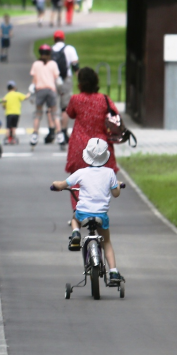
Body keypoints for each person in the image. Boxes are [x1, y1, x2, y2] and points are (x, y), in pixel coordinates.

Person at [62, 67, 122, 252]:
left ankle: (78, 217)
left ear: (80, 83)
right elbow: (115, 116)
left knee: (78, 182)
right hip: (101, 144)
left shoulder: (75, 99)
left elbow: (70, 114)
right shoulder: (104, 98)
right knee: (102, 178)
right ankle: (98, 214)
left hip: (80, 145)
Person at [51, 137, 123, 283]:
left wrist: (56, 185)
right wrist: (117, 186)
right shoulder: (110, 173)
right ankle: (114, 272)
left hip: (83, 213)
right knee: (106, 242)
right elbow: (115, 194)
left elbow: (63, 184)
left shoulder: (81, 173)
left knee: (74, 218)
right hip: (101, 216)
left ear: (87, 156)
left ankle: (75, 233)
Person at [29, 43, 61, 146]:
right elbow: (57, 78)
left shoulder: (36, 64)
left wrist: (32, 92)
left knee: (38, 113)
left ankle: (35, 135)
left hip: (40, 90)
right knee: (54, 113)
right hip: (51, 90)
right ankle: (60, 134)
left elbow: (34, 80)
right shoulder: (53, 64)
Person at [52, 30, 80, 146]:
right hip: (66, 79)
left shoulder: (50, 50)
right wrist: (79, 80)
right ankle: (64, 131)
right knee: (65, 107)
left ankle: (53, 130)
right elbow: (75, 65)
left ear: (54, 39)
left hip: (53, 79)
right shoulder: (70, 49)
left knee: (53, 106)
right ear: (63, 38)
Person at [0, 81, 28, 145]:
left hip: (9, 113)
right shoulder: (17, 94)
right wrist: (29, 94)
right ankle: (13, 138)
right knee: (14, 126)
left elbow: (3, 105)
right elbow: (25, 97)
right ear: (14, 87)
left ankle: (7, 138)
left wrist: (5, 106)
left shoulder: (6, 96)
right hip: (16, 113)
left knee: (8, 127)